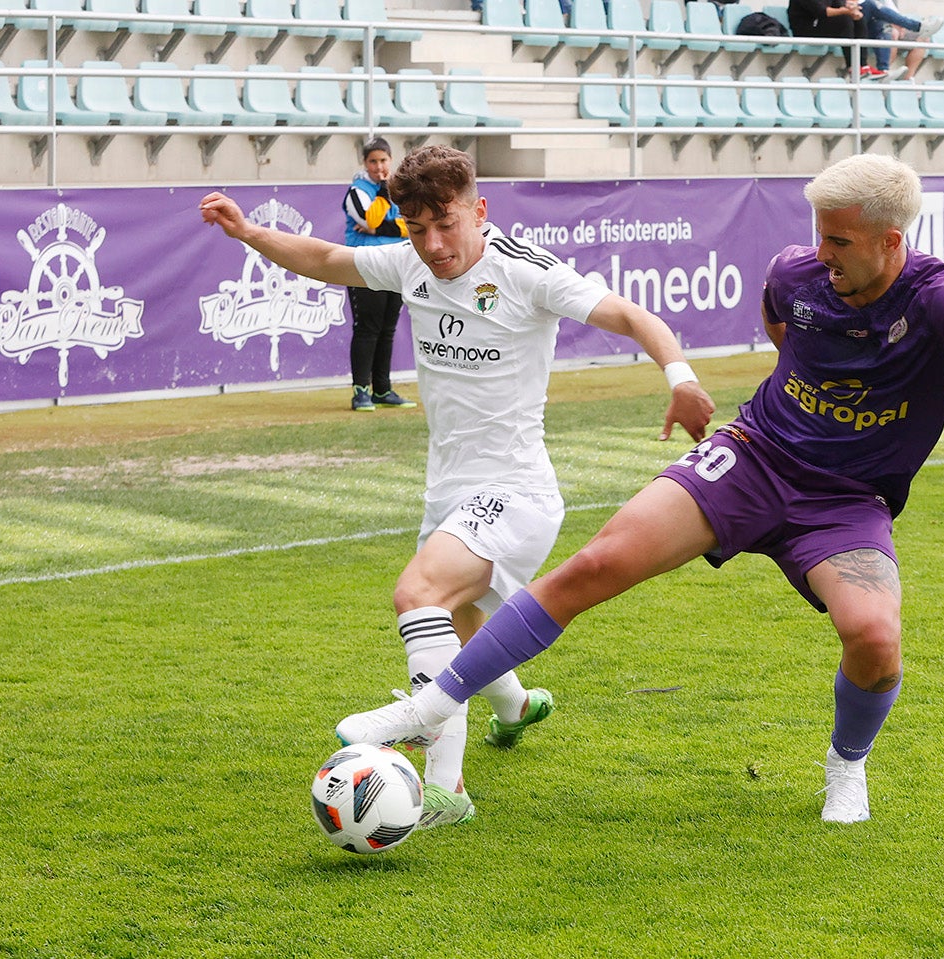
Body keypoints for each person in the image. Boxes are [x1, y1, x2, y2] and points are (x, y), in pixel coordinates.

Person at [334, 153, 944, 825]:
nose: (819, 253)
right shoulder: (796, 272)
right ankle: (428, 705)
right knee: (596, 563)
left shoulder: (939, 297)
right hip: (753, 455)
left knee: (875, 639)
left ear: (891, 241)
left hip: (844, 500)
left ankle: (846, 766)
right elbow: (783, 328)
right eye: (818, 233)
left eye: (840, 241)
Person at [200, 146, 716, 828]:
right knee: (466, 631)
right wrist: (247, 233)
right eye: (417, 228)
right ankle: (516, 705)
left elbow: (631, 317)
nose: (434, 244)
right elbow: (326, 259)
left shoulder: (526, 272)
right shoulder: (410, 260)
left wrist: (681, 379)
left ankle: (447, 789)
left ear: (479, 209)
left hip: (517, 490)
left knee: (418, 593)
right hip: (449, 490)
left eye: (446, 224)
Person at [343, 137, 414, 413]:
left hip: (394, 262)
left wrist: (381, 228)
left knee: (387, 328)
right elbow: (369, 220)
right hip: (364, 263)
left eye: (383, 160)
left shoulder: (401, 191)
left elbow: (408, 226)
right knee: (367, 328)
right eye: (373, 161)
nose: (379, 166)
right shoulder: (357, 192)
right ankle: (361, 391)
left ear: (390, 160)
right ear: (365, 163)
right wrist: (383, 194)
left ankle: (382, 389)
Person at [858, 1, 944, 80]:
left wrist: (899, 25)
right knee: (890, 31)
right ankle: (883, 72)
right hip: (868, 26)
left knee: (923, 37)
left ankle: (908, 80)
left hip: (886, 25)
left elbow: (893, 12)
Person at [788, 0, 871, 76]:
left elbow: (838, 4)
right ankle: (852, 67)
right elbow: (821, 11)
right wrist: (846, 11)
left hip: (820, 25)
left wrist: (851, 9)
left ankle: (863, 66)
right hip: (805, 30)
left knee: (859, 20)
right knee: (845, 20)